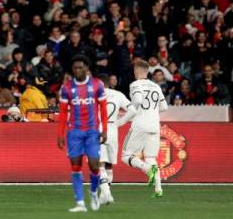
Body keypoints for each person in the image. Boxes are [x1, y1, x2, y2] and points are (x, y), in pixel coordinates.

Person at [57, 55, 108, 212]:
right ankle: (80, 203)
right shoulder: (66, 88)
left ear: (86, 68)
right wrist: (60, 134)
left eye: (80, 67)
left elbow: (103, 109)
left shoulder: (97, 85)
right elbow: (63, 113)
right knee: (76, 166)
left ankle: (93, 192)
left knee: (94, 165)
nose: (77, 70)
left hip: (92, 130)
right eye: (75, 68)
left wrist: (104, 129)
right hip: (74, 132)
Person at [117, 60, 168, 198]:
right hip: (154, 125)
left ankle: (148, 170)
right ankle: (158, 190)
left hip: (140, 124)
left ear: (136, 71)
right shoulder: (156, 86)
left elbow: (138, 101)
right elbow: (164, 107)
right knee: (151, 157)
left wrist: (132, 111)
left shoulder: (135, 84)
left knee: (126, 156)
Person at [97, 74, 133, 205]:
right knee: (109, 164)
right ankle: (105, 195)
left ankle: (106, 194)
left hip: (98, 130)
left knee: (98, 164)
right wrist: (119, 123)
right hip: (112, 130)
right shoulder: (118, 94)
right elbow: (133, 110)